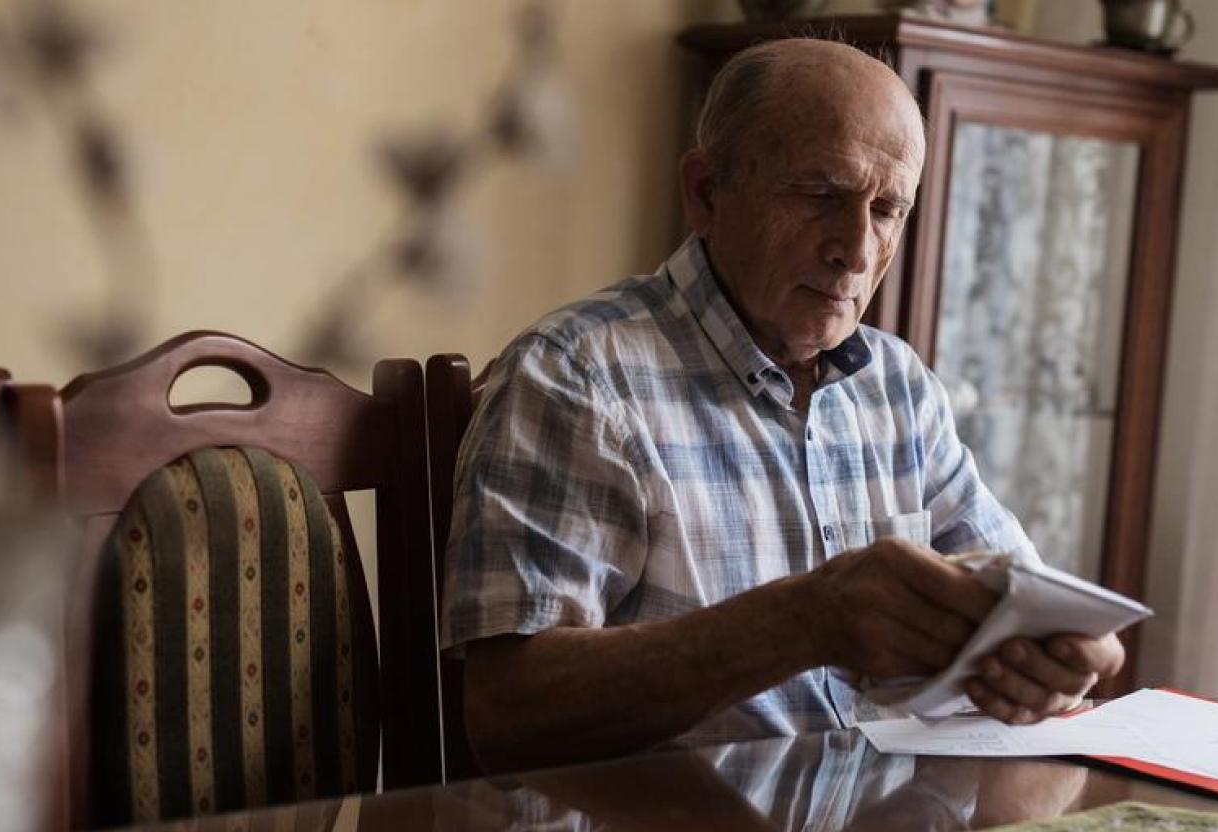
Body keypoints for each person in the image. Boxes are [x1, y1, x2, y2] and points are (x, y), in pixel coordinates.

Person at [443, 38, 1124, 772]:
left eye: (889, 209)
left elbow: (1029, 600)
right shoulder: (579, 376)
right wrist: (800, 621)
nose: (858, 251)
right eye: (820, 195)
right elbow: (507, 713)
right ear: (705, 191)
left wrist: (1067, 651)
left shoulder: (897, 384)